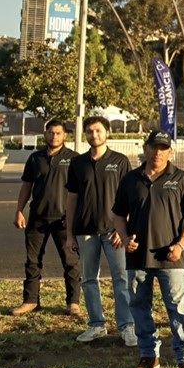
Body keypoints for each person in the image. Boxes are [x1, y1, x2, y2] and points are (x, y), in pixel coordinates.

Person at [111, 129, 184, 368]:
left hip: (170, 257)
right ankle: (149, 356)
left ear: (170, 151)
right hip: (138, 258)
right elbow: (118, 214)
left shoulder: (180, 178)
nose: (158, 152)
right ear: (145, 148)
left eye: (163, 148)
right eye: (154, 147)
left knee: (178, 309)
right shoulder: (130, 180)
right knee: (139, 307)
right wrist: (125, 237)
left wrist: (180, 245)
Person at [65, 115, 135, 345]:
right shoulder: (77, 163)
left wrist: (122, 230)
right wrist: (69, 234)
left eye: (98, 131)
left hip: (113, 233)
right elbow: (71, 199)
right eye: (89, 131)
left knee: (122, 279)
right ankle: (96, 325)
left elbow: (130, 199)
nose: (94, 135)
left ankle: (126, 326)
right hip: (85, 232)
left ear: (107, 132)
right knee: (88, 279)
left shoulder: (121, 161)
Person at [12, 118, 81, 316]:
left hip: (64, 220)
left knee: (70, 262)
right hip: (37, 218)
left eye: (58, 133)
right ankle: (31, 301)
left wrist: (74, 218)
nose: (54, 136)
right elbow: (27, 186)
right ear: (45, 134)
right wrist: (19, 210)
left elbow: (80, 192)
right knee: (32, 261)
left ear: (64, 135)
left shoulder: (75, 159)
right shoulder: (35, 158)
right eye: (51, 132)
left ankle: (73, 302)